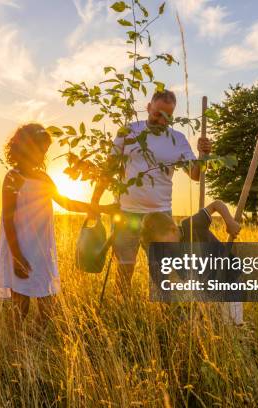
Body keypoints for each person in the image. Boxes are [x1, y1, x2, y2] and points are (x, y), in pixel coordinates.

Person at [0, 123, 115, 329]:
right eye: (40, 149)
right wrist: (16, 256)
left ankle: (35, 344)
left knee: (48, 308)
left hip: (42, 250)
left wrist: (101, 208)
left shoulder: (43, 177)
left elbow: (65, 202)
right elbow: (8, 219)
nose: (42, 155)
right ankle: (14, 349)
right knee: (19, 306)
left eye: (45, 151)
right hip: (20, 249)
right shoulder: (13, 177)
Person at [90, 89, 212, 294]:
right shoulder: (127, 132)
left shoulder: (178, 139)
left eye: (168, 117)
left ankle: (166, 315)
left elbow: (195, 174)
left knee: (163, 271)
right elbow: (108, 169)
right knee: (124, 268)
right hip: (126, 214)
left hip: (160, 217)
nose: (162, 121)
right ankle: (123, 312)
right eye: (157, 114)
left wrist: (205, 155)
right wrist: (94, 202)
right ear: (148, 107)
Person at [140, 200, 245, 324]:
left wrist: (230, 222)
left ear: (173, 229)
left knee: (232, 321)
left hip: (229, 277)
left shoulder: (190, 225)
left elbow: (216, 204)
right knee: (212, 323)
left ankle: (237, 335)